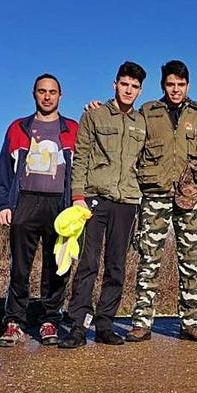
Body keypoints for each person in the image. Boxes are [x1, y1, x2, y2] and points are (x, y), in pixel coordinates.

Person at [58, 61, 148, 349]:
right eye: (125, 84)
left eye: (134, 86)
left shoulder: (142, 122)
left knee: (116, 266)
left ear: (140, 89)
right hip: (94, 199)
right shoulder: (95, 114)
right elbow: (80, 157)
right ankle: (78, 325)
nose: (129, 90)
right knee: (87, 263)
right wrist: (77, 196)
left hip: (127, 201)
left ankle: (105, 323)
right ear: (115, 84)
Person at [0, 74, 79, 348]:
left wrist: (78, 202)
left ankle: (50, 319)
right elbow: (3, 169)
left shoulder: (73, 129)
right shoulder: (18, 127)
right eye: (42, 91)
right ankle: (14, 321)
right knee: (20, 266)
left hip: (59, 206)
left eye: (53, 92)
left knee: (58, 266)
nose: (47, 96)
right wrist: (2, 204)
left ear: (60, 96)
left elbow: (82, 170)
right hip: (25, 202)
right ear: (34, 94)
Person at [126, 60, 197, 342]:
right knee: (149, 258)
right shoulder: (148, 112)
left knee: (191, 260)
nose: (176, 90)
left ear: (188, 85)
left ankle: (190, 322)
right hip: (155, 193)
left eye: (181, 85)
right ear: (163, 85)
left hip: (189, 194)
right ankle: (141, 322)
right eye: (171, 84)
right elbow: (126, 129)